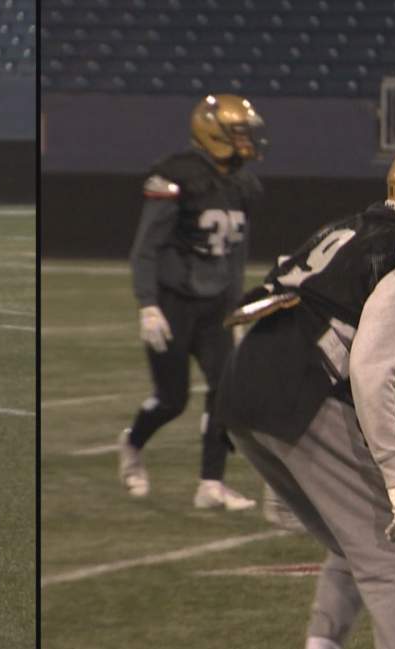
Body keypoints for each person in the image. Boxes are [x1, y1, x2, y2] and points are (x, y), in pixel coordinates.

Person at [217, 142, 395, 649]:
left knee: (353, 542)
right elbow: (371, 371)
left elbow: (261, 303)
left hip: (244, 386)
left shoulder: (349, 227)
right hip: (301, 390)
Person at [118, 94, 265, 510]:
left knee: (225, 390)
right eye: (239, 133)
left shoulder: (242, 185)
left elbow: (236, 253)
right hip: (173, 301)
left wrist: (235, 308)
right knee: (172, 399)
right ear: (214, 134)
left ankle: (210, 484)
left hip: (215, 304)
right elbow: (146, 247)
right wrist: (148, 304)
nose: (248, 140)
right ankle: (132, 444)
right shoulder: (177, 175)